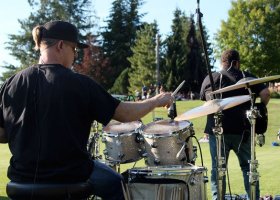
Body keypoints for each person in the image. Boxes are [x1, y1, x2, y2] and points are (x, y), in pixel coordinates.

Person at [0, 20, 173, 200]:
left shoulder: (11, 84)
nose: (75, 56)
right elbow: (125, 114)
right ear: (60, 46)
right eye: (74, 49)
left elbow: (2, 134)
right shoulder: (80, 84)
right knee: (117, 183)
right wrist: (157, 100)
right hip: (71, 175)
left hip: (21, 180)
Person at [200, 49, 270, 200]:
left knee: (218, 169)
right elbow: (266, 93)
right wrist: (259, 107)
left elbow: (205, 100)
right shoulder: (247, 77)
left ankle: (218, 198)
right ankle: (253, 197)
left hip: (218, 132)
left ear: (222, 63)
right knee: (248, 167)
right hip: (243, 132)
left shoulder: (212, 78)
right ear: (236, 63)